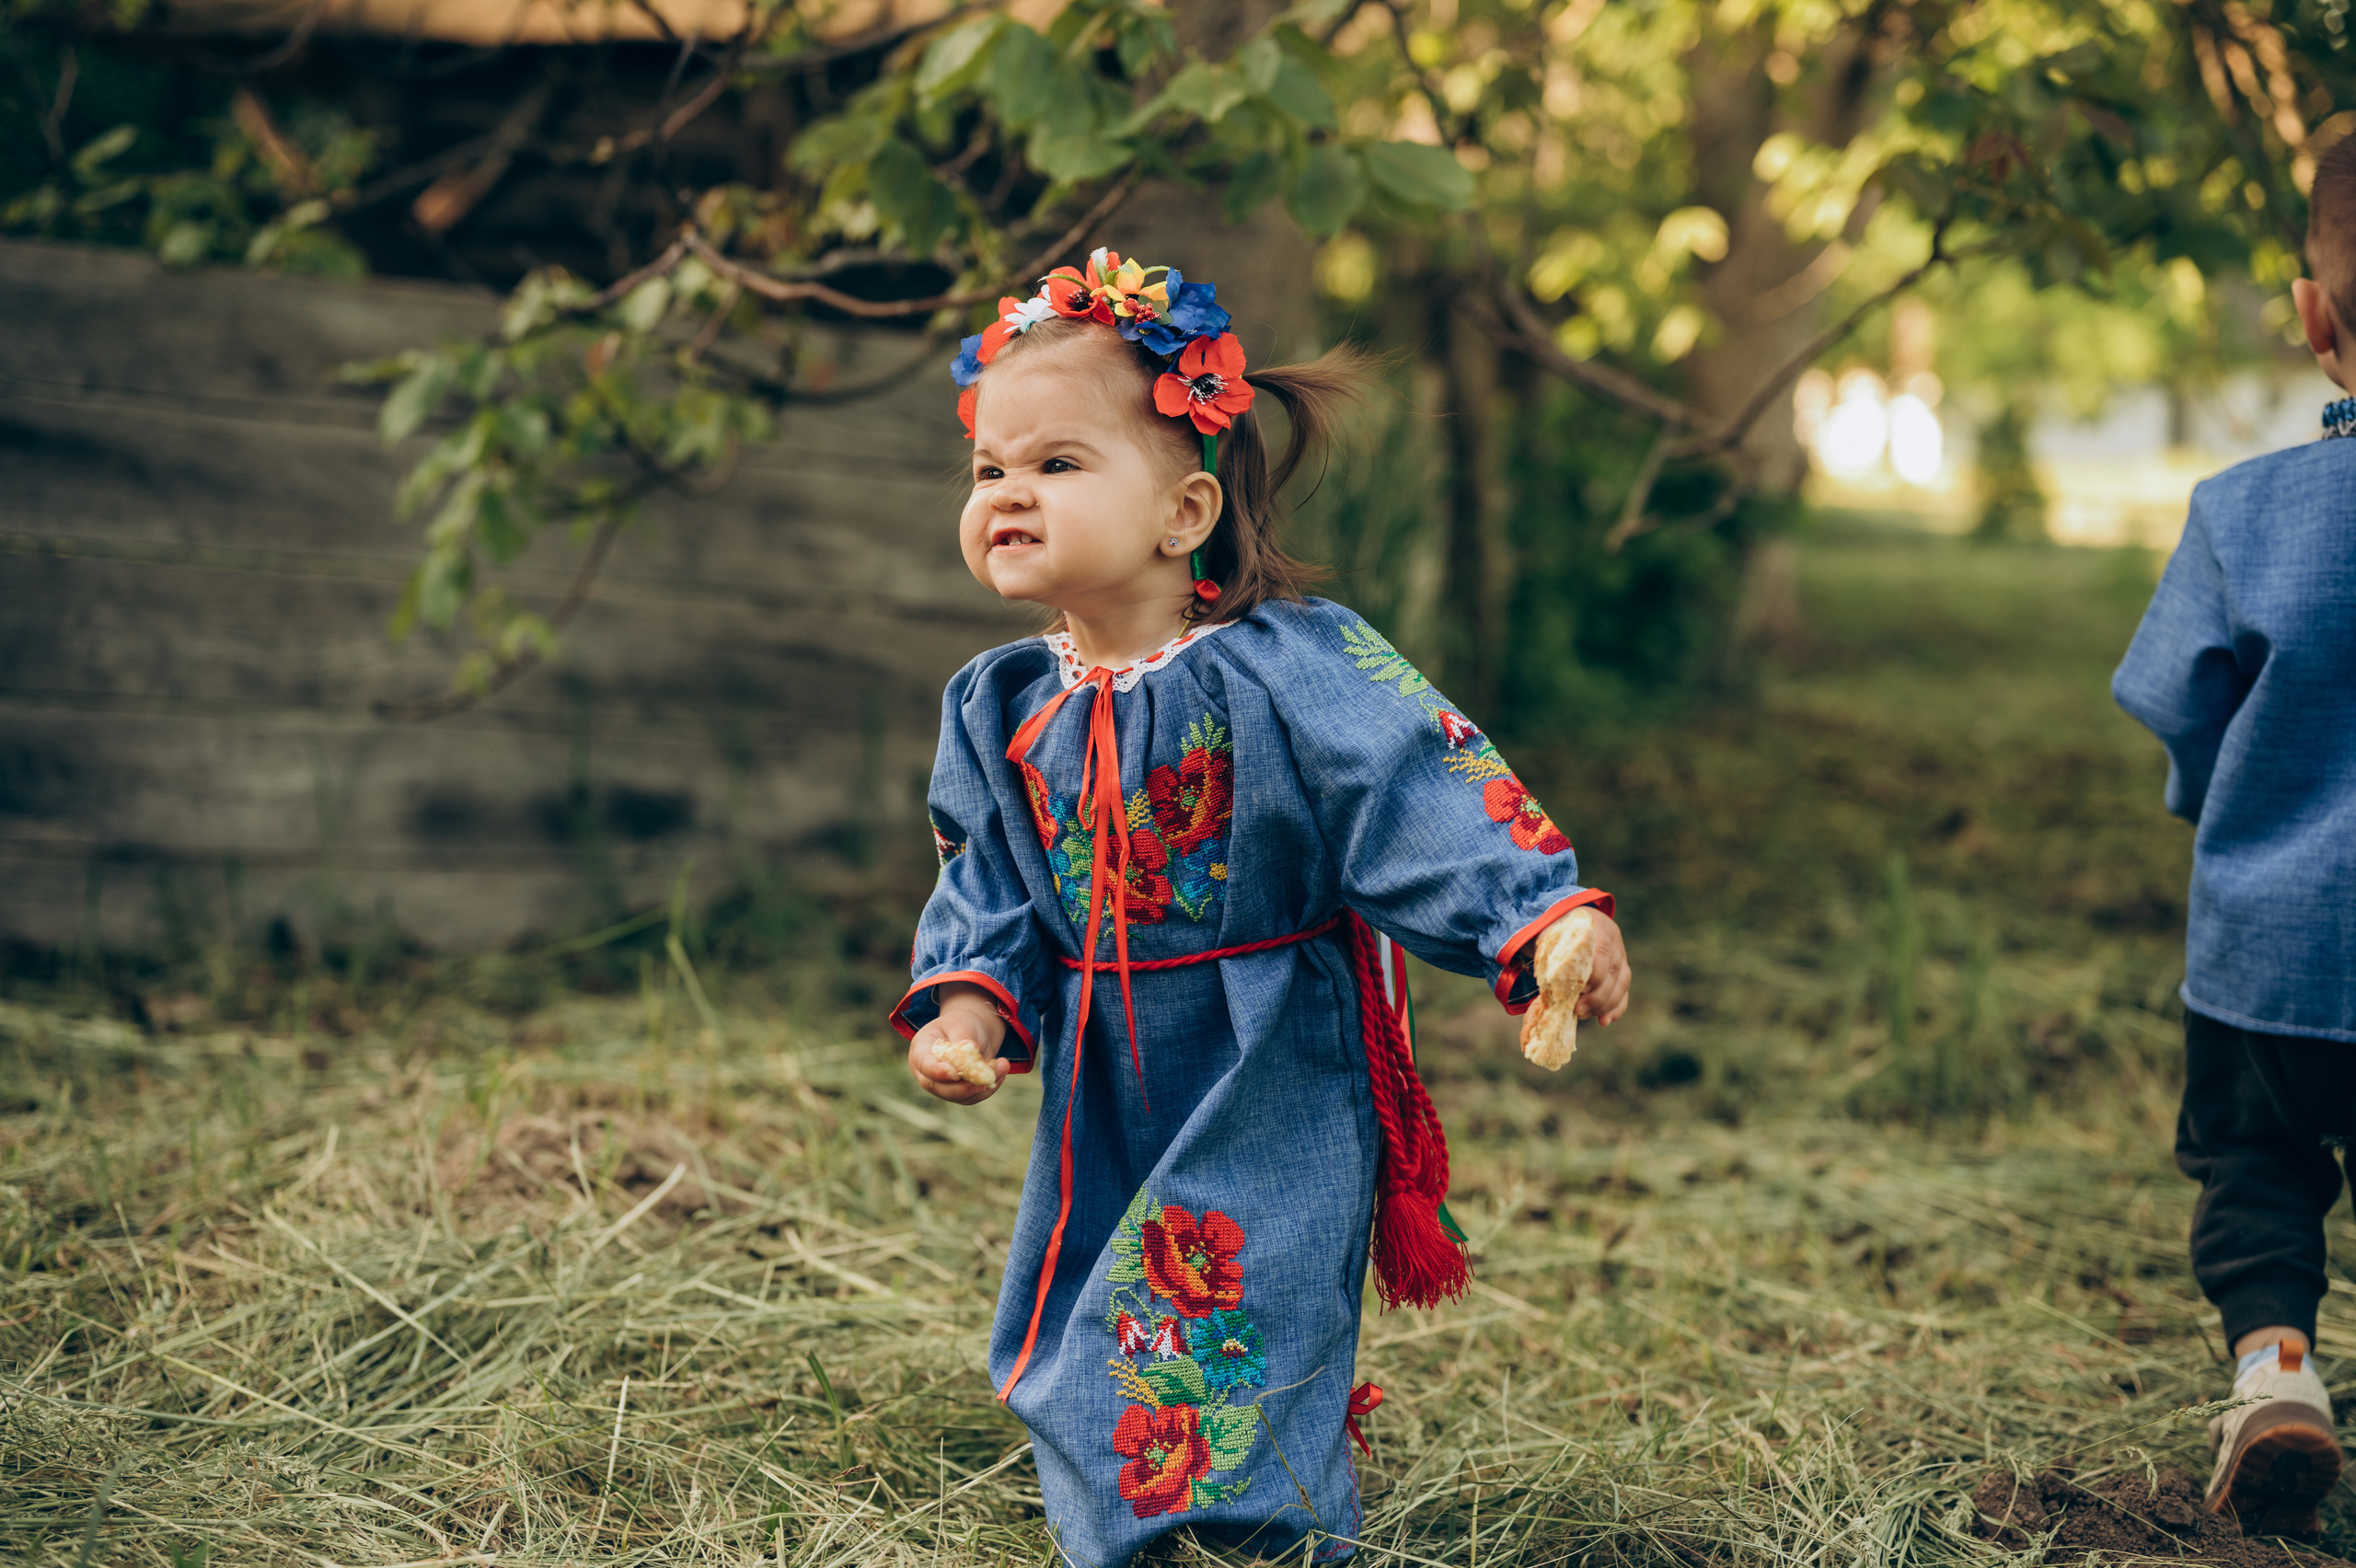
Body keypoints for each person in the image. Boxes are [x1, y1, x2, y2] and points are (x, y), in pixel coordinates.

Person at [888, 248, 1631, 1567]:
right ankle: (1128, 1540)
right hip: (1106, 1074)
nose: (1008, 493)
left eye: (1058, 464)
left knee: (1237, 1306)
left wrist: (1539, 917)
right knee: (1078, 1323)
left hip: (1271, 1047)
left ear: (1184, 513)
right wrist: (965, 1005)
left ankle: (1280, 1539)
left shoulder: (1291, 663)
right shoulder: (1001, 703)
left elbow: (1416, 775)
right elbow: (988, 879)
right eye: (990, 469)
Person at [2113, 135, 2356, 1536]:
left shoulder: (2244, 511)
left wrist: (2225, 810)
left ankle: (2274, 1372)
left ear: (2316, 321)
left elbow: (2180, 710)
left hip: (2265, 956)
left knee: (2257, 1175)